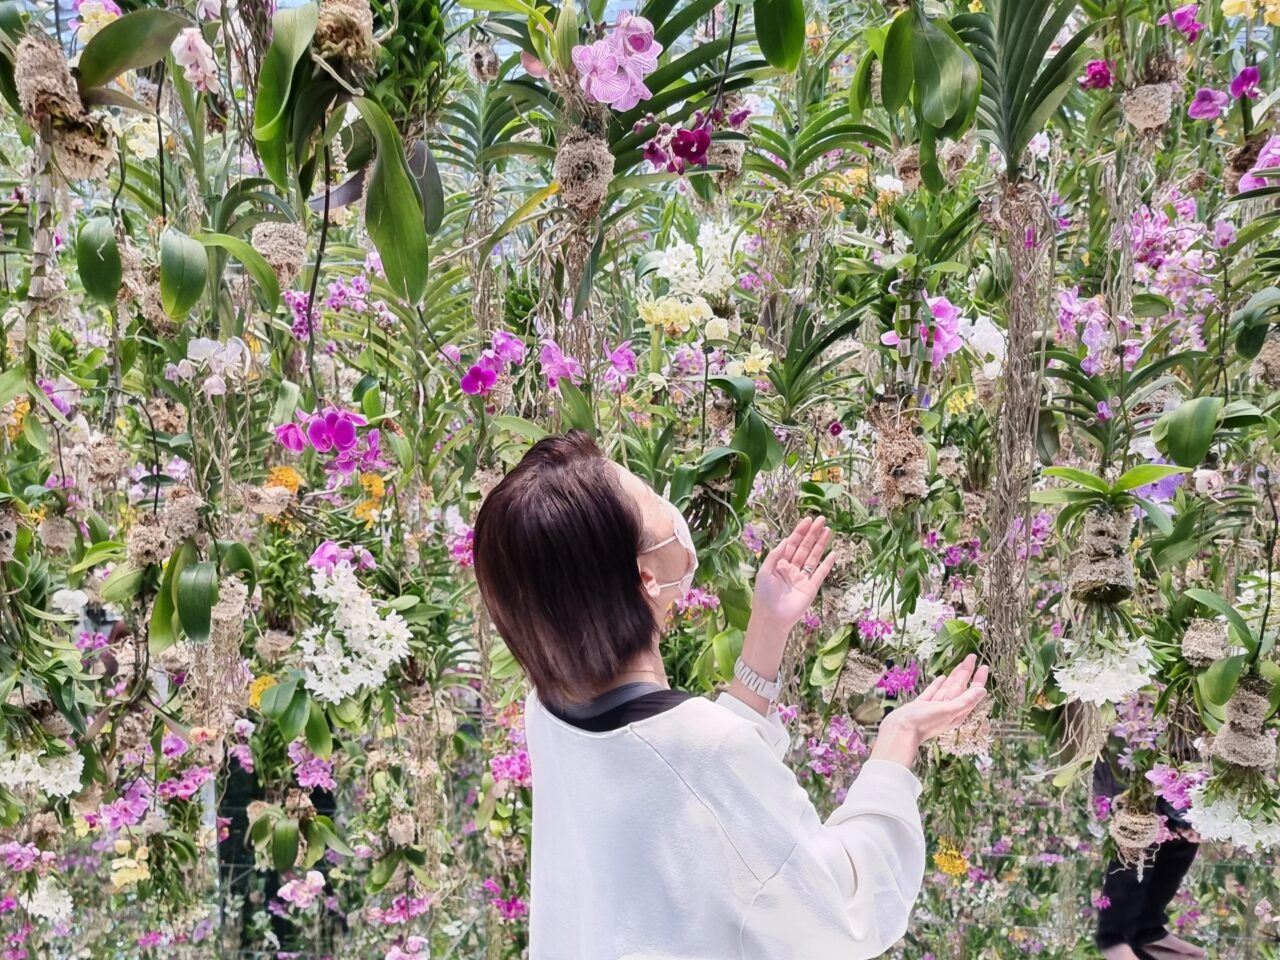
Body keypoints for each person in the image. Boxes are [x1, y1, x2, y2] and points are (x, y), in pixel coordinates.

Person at [473, 431, 990, 960]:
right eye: (652, 500)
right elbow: (844, 914)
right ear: (645, 577)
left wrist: (768, 628)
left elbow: (695, 802)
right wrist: (899, 738)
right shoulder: (702, 751)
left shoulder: (552, 712)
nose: (669, 509)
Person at [1093, 764, 1204, 960]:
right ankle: (1146, 930)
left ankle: (1121, 936)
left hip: (1138, 776)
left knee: (1141, 831)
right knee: (1180, 835)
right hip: (1166, 792)